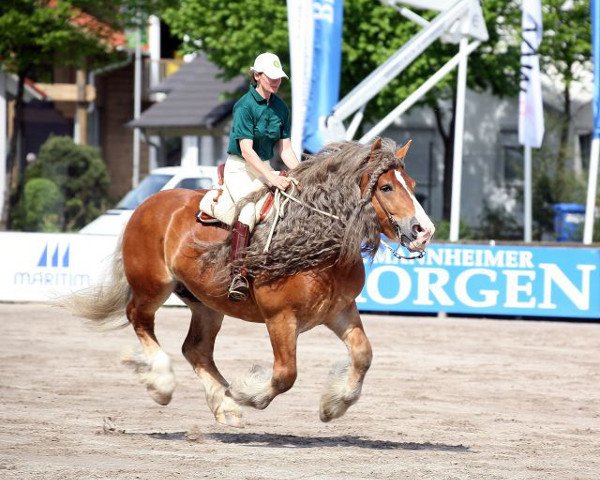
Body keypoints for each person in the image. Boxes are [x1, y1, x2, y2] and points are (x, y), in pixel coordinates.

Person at [225, 52, 301, 301]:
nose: (276, 81)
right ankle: (238, 274)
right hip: (240, 168)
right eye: (271, 77)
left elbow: (286, 150)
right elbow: (246, 150)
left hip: (264, 165)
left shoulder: (280, 107)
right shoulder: (244, 106)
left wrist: (302, 174)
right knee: (248, 211)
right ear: (257, 76)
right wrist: (271, 177)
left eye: (279, 77)